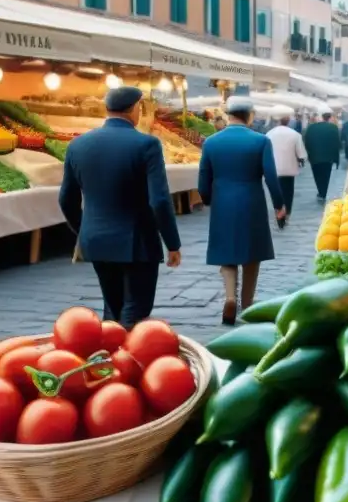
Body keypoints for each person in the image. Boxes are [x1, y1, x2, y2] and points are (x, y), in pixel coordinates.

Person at [58, 86, 181, 327]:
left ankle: (109, 358)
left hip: (95, 239)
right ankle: (123, 357)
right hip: (137, 241)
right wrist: (172, 243)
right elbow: (159, 200)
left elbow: (66, 199)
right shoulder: (147, 145)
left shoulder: (78, 145)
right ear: (135, 108)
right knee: (135, 309)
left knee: (111, 306)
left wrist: (83, 230)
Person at [198, 96, 287, 325]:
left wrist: (208, 200)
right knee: (252, 253)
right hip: (251, 201)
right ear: (250, 116)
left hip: (222, 202)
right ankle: (247, 304)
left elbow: (202, 181)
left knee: (226, 252)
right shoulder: (261, 141)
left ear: (228, 116)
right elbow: (271, 176)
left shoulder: (211, 142)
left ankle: (229, 297)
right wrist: (279, 204)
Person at [266, 115, 307, 218]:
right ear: (288, 122)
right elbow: (301, 153)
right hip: (289, 168)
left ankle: (278, 208)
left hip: (274, 168)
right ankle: (287, 210)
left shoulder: (269, 134)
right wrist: (302, 159)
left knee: (276, 189)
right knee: (288, 190)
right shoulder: (295, 134)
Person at [304, 111, 342, 202]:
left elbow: (306, 141)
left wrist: (309, 153)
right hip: (328, 157)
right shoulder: (333, 128)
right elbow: (337, 144)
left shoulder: (311, 128)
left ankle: (321, 191)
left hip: (314, 157)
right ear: (329, 118)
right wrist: (336, 159)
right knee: (326, 175)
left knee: (317, 175)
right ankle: (323, 191)